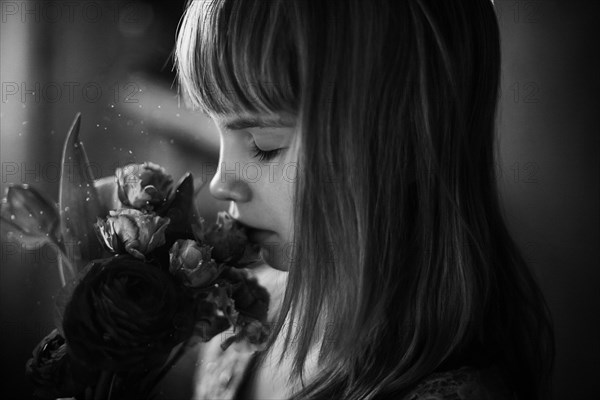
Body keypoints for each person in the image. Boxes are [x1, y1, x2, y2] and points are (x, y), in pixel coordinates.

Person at [174, 0, 555, 399]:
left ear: (400, 141)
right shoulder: (246, 312)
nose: (220, 182)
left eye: (263, 144)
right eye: (217, 129)